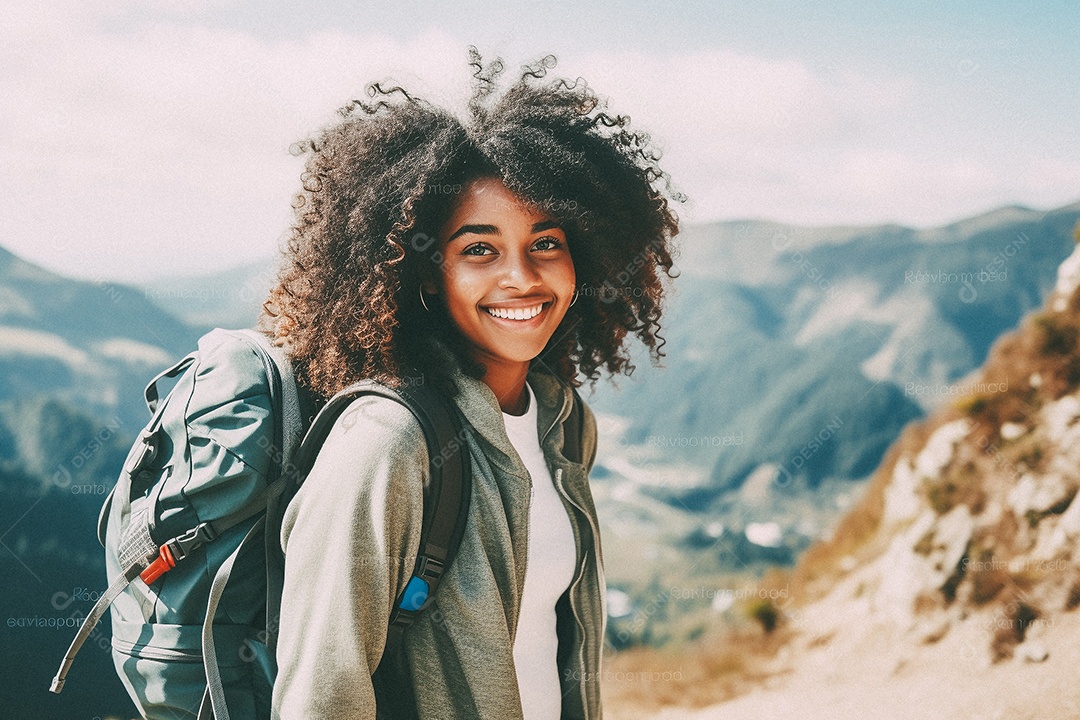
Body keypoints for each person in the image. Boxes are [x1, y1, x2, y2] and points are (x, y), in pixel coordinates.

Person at [261, 49, 681, 719]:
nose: (521, 276)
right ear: (428, 274)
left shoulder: (561, 423)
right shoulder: (387, 445)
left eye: (546, 242)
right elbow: (321, 697)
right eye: (479, 249)